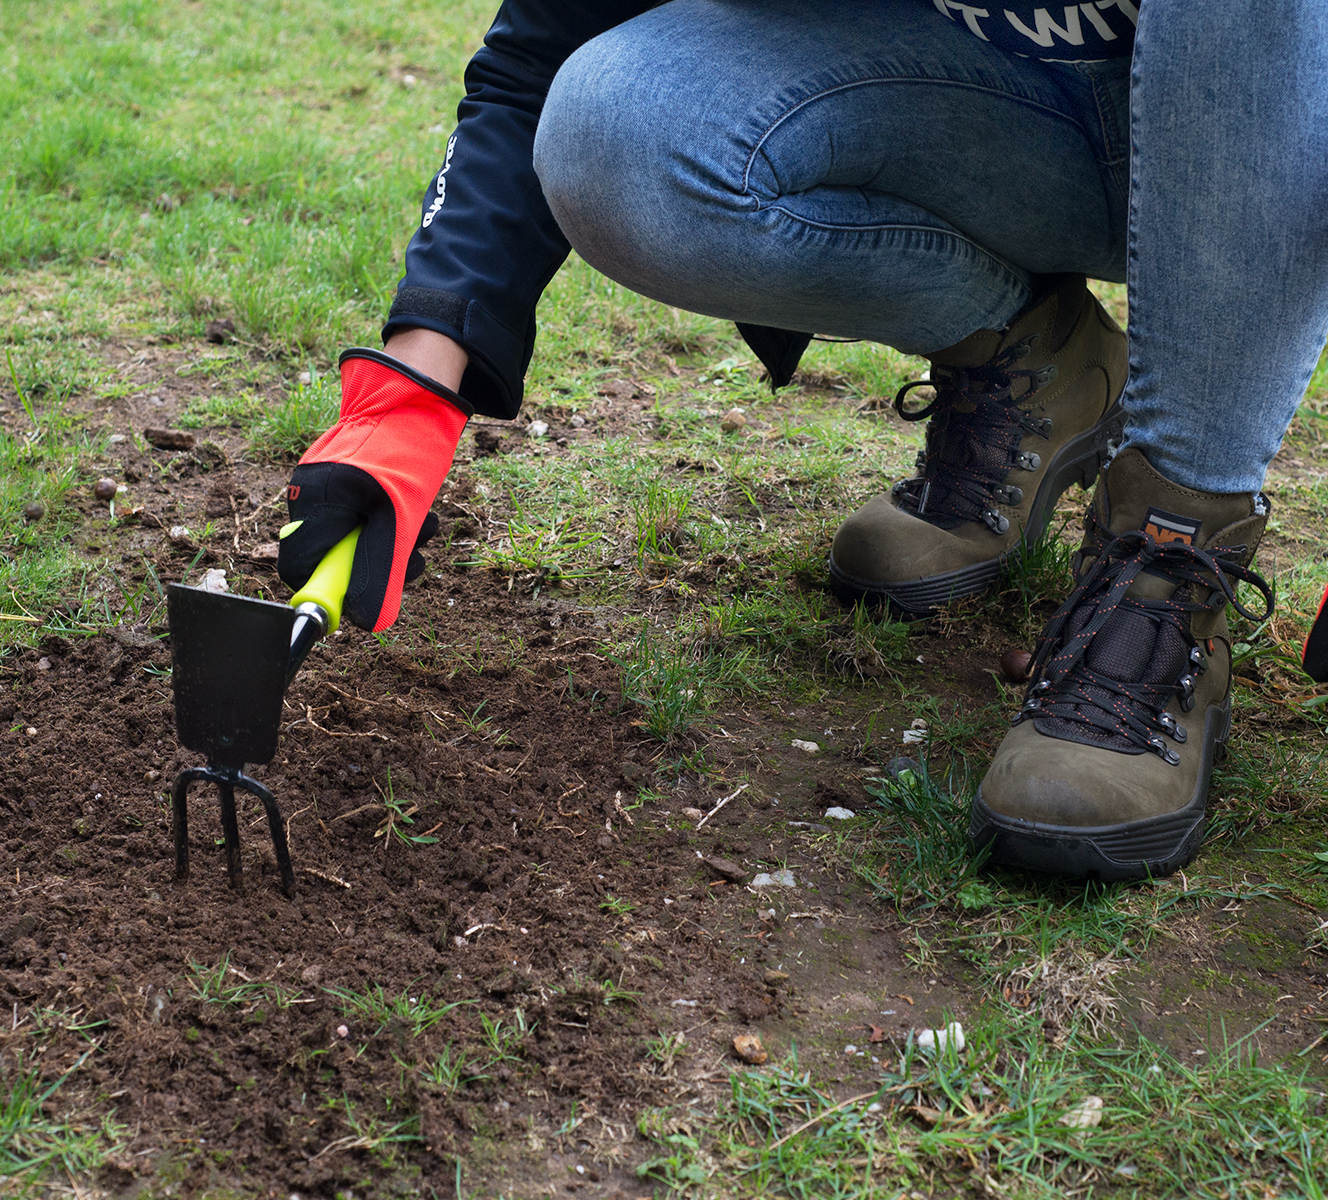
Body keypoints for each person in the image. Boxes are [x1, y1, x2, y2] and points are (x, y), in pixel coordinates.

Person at [278, 1, 1328, 881]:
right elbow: (528, 68)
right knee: (617, 125)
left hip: (1273, 123)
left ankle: (1171, 539)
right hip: (1018, 122)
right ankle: (1036, 366)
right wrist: (408, 401)